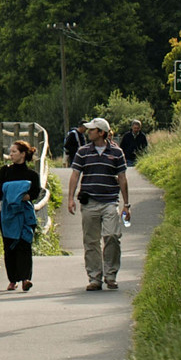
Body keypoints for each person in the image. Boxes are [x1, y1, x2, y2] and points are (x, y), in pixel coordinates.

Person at [67, 117, 131, 291]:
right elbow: (75, 175)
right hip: (90, 202)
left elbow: (122, 178)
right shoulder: (83, 152)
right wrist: (70, 198)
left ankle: (110, 275)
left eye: (92, 130)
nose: (88, 132)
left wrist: (126, 205)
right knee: (91, 241)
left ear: (101, 133)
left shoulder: (116, 152)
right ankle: (95, 278)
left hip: (110, 201)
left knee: (112, 236)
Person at [0, 139, 42, 292]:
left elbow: (35, 192)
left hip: (25, 214)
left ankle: (26, 278)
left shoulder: (32, 174)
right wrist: (16, 190)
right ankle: (12, 279)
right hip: (8, 214)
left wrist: (19, 195)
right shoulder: (5, 171)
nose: (11, 154)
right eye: (11, 152)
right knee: (9, 246)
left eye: (14, 151)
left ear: (23, 154)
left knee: (25, 245)